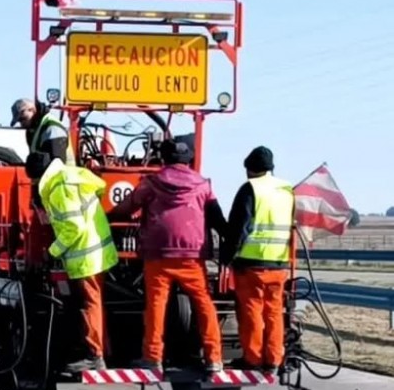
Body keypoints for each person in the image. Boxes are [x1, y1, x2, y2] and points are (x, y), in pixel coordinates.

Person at [108, 138, 227, 373]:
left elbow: (128, 207)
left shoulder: (152, 182)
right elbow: (216, 216)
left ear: (163, 158)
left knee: (155, 305)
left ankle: (152, 358)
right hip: (192, 255)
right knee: (204, 304)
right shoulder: (203, 185)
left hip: (158, 253)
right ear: (189, 159)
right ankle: (214, 358)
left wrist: (107, 216)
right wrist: (229, 239)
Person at [24, 151, 119, 372]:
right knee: (95, 302)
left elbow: (73, 227)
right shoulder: (73, 174)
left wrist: (53, 252)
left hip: (85, 253)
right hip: (98, 247)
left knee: (89, 304)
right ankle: (103, 350)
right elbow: (100, 186)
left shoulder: (58, 188)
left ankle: (95, 356)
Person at [219, 146, 295, 374]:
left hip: (251, 264)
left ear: (249, 169)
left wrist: (226, 257)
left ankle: (252, 359)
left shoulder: (250, 189)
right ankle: (273, 360)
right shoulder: (287, 189)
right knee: (274, 313)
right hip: (280, 264)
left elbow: (238, 228)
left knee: (251, 311)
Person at [11, 98, 76, 166]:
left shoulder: (52, 128)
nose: (22, 124)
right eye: (19, 121)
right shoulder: (35, 130)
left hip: (63, 175)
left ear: (32, 110)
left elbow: (57, 162)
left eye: (23, 119)